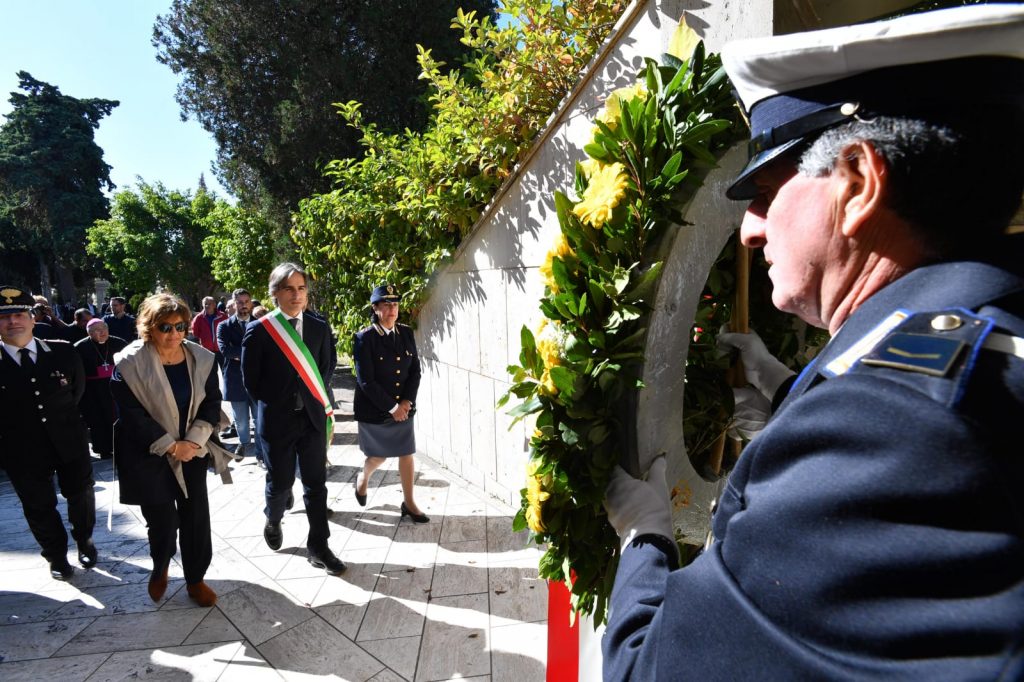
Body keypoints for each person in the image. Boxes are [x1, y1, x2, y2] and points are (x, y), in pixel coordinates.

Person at [601, 5, 1024, 679]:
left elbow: (647, 668)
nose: (750, 231)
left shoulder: (890, 430)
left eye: (766, 192)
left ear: (857, 183)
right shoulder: (984, 336)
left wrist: (643, 539)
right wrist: (789, 400)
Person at [111, 292, 235, 607]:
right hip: (149, 452)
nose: (174, 334)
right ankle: (162, 565)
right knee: (163, 519)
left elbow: (211, 401)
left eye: (180, 326)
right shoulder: (127, 363)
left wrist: (192, 442)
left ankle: (195, 579)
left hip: (192, 449)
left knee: (195, 517)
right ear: (149, 327)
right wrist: (169, 446)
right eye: (165, 327)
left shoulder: (201, 358)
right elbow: (131, 414)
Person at [241, 262, 345, 575]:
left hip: (312, 419)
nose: (296, 295)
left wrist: (311, 399)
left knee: (316, 484)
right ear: (275, 294)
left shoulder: (318, 326)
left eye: (301, 288)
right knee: (281, 482)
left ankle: (320, 546)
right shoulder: (259, 331)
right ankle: (273, 517)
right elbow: (252, 383)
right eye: (289, 288)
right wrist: (283, 399)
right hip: (277, 421)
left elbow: (326, 368)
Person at [0, 285, 97, 579]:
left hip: (69, 439)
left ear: (32, 318)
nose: (12, 321)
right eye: (4, 317)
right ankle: (55, 556)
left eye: (19, 314)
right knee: (38, 505)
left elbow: (77, 392)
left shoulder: (63, 352)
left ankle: (84, 539)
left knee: (80, 493)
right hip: (21, 448)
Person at [352, 284, 427, 523]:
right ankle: (363, 479)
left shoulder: (405, 333)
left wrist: (406, 402)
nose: (392, 309)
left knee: (406, 453)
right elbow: (366, 381)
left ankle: (410, 502)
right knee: (379, 457)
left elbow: (415, 370)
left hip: (403, 409)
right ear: (375, 308)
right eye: (386, 304)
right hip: (375, 409)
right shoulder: (365, 338)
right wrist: (393, 408)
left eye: (395, 304)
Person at [217, 288, 264, 466]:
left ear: (251, 302)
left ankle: (260, 453)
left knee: (259, 419)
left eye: (246, 302)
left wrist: (240, 353)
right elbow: (225, 351)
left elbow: (264, 351)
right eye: (240, 302)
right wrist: (250, 353)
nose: (244, 306)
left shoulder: (260, 325)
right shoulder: (224, 326)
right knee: (242, 422)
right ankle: (244, 444)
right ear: (234, 303)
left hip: (258, 381)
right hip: (236, 381)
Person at [74, 319, 128, 458]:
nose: (102, 332)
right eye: (97, 330)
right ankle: (103, 449)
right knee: (98, 420)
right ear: (89, 333)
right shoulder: (80, 347)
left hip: (117, 387)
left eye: (104, 328)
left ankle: (122, 446)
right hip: (93, 391)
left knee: (120, 417)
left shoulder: (119, 343)